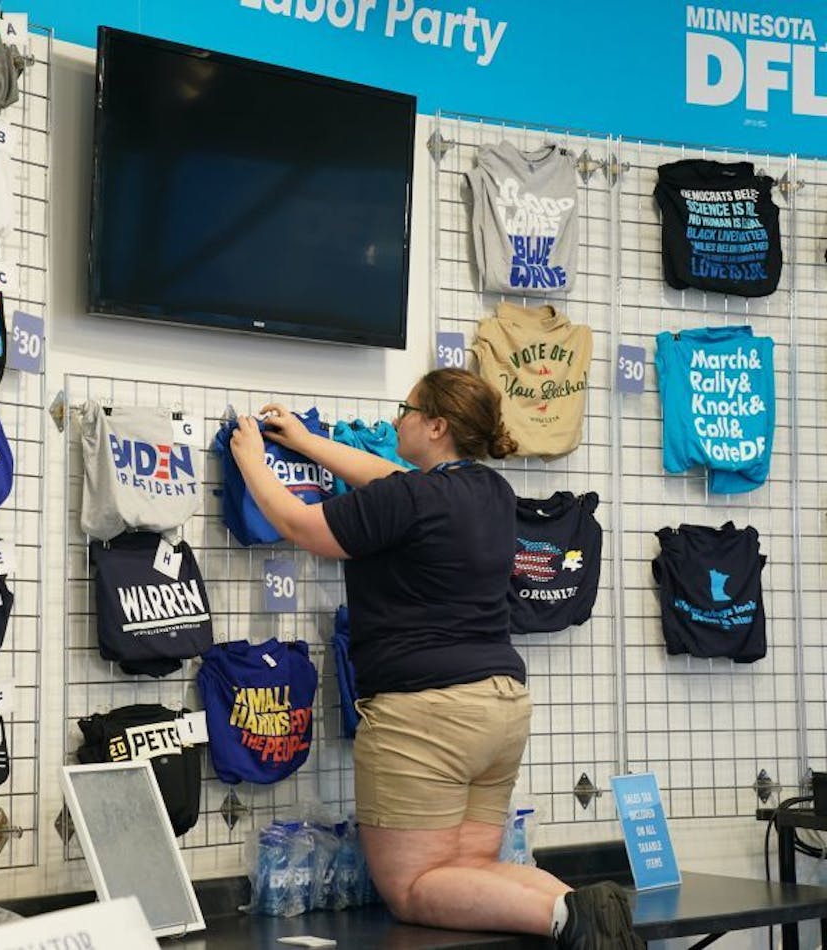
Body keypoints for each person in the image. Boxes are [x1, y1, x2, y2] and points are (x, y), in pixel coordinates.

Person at [227, 368, 643, 949]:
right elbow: (393, 479)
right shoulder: (490, 491)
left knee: (415, 888)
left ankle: (569, 919)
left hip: (427, 716)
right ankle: (587, 914)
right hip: (499, 708)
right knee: (467, 872)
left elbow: (302, 524)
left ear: (437, 424)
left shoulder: (409, 499)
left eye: (407, 408)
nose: (398, 418)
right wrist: (306, 441)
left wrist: (251, 457)